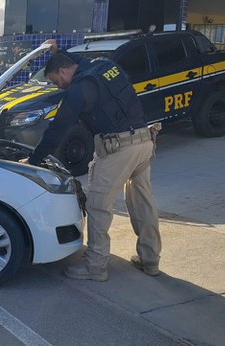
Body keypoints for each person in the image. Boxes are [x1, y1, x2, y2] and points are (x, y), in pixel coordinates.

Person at [20, 40, 161, 282]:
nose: (59, 86)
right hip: (144, 141)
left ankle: (95, 265)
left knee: (98, 206)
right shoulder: (103, 65)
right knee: (142, 203)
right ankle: (150, 259)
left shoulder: (79, 89)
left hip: (118, 149)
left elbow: (58, 128)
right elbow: (78, 64)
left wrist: (34, 160)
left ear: (64, 71)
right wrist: (57, 52)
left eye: (56, 80)